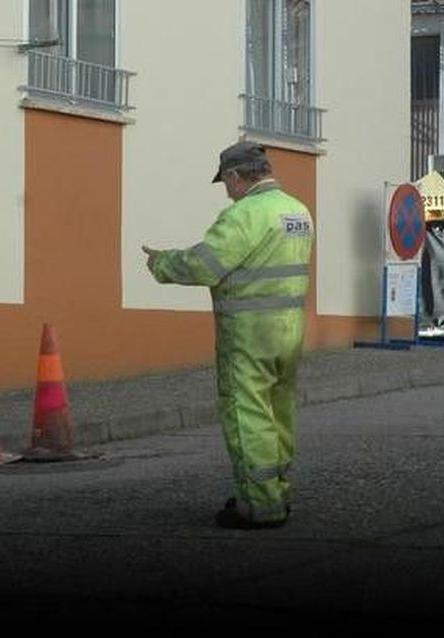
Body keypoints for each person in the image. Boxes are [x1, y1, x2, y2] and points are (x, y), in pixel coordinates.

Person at [143, 141, 313, 529]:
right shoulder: (298, 211)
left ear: (236, 176)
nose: (226, 190)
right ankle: (276, 488)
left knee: (247, 412)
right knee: (278, 410)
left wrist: (162, 262)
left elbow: (205, 266)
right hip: (289, 330)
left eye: (226, 182)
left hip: (250, 333)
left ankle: (259, 505)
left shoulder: (243, 215)